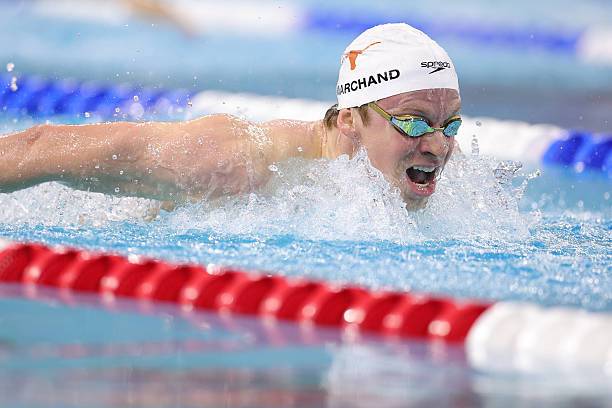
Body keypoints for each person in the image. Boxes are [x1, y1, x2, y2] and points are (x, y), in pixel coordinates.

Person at [0, 23, 461, 211]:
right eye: (414, 122)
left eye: (450, 125)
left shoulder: (451, 193)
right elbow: (39, 147)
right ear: (348, 120)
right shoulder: (235, 160)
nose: (438, 146)